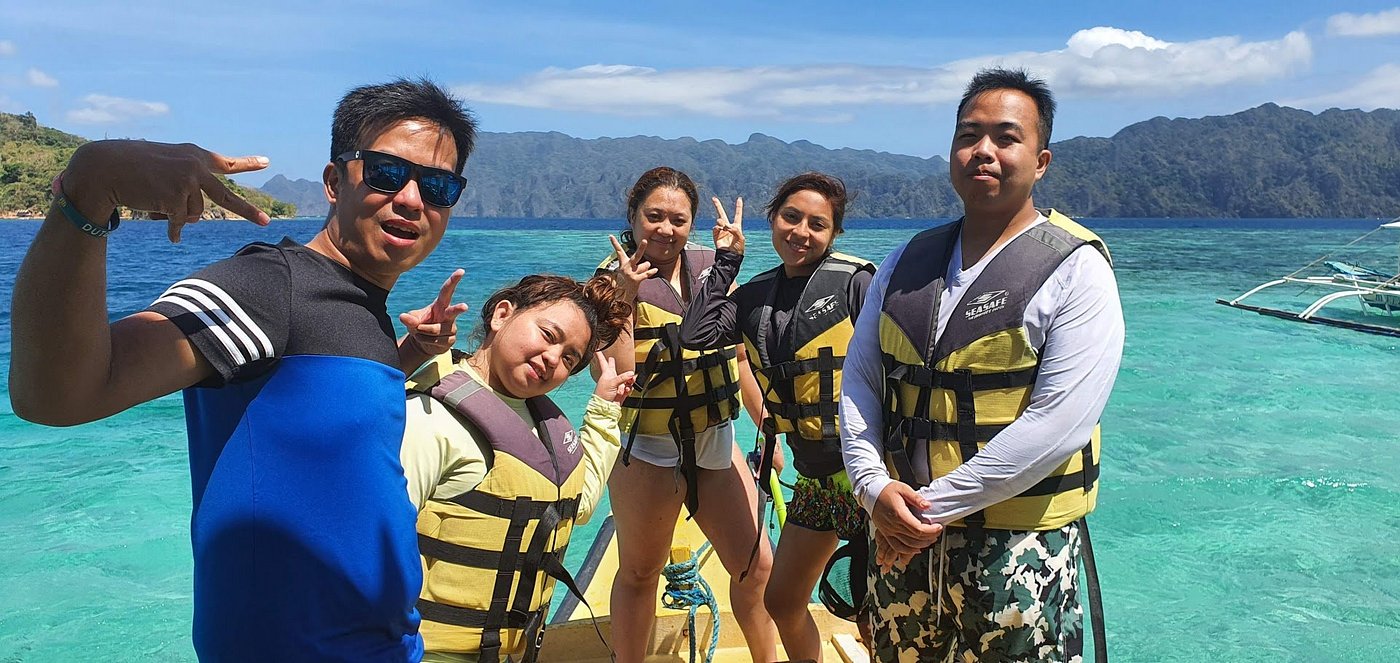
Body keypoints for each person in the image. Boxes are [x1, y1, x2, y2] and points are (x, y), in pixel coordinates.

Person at [9, 78, 479, 660]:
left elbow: (311, 418)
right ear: (335, 182)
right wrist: (88, 192)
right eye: (386, 172)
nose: (411, 199)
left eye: (437, 186)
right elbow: (56, 395)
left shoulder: (358, 307)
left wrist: (404, 356)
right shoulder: (268, 285)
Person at [839, 67, 1125, 662]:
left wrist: (924, 511)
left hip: (1016, 549)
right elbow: (861, 381)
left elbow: (1058, 425)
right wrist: (872, 488)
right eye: (968, 136)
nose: (983, 151)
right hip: (900, 532)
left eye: (1006, 137)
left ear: (1040, 162)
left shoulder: (1077, 269)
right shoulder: (904, 261)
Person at [678, 173, 875, 662]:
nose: (801, 232)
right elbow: (695, 333)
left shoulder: (856, 283)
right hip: (815, 481)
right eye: (791, 217)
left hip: (866, 477)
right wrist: (727, 260)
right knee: (783, 601)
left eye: (818, 224)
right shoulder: (754, 297)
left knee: (876, 613)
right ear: (773, 219)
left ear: (834, 233)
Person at [399, 272, 636, 663]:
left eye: (569, 358)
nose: (553, 359)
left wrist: (605, 411)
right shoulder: (429, 417)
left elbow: (575, 505)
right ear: (502, 314)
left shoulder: (540, 424)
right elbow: (373, 546)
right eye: (548, 334)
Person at [597, 167, 778, 663]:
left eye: (678, 219)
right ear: (633, 216)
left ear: (692, 223)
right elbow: (621, 375)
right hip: (648, 448)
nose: (665, 229)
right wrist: (624, 296)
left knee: (756, 567)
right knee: (640, 573)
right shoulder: (609, 281)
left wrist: (767, 425)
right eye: (654, 216)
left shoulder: (712, 267)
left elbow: (738, 356)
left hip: (715, 438)